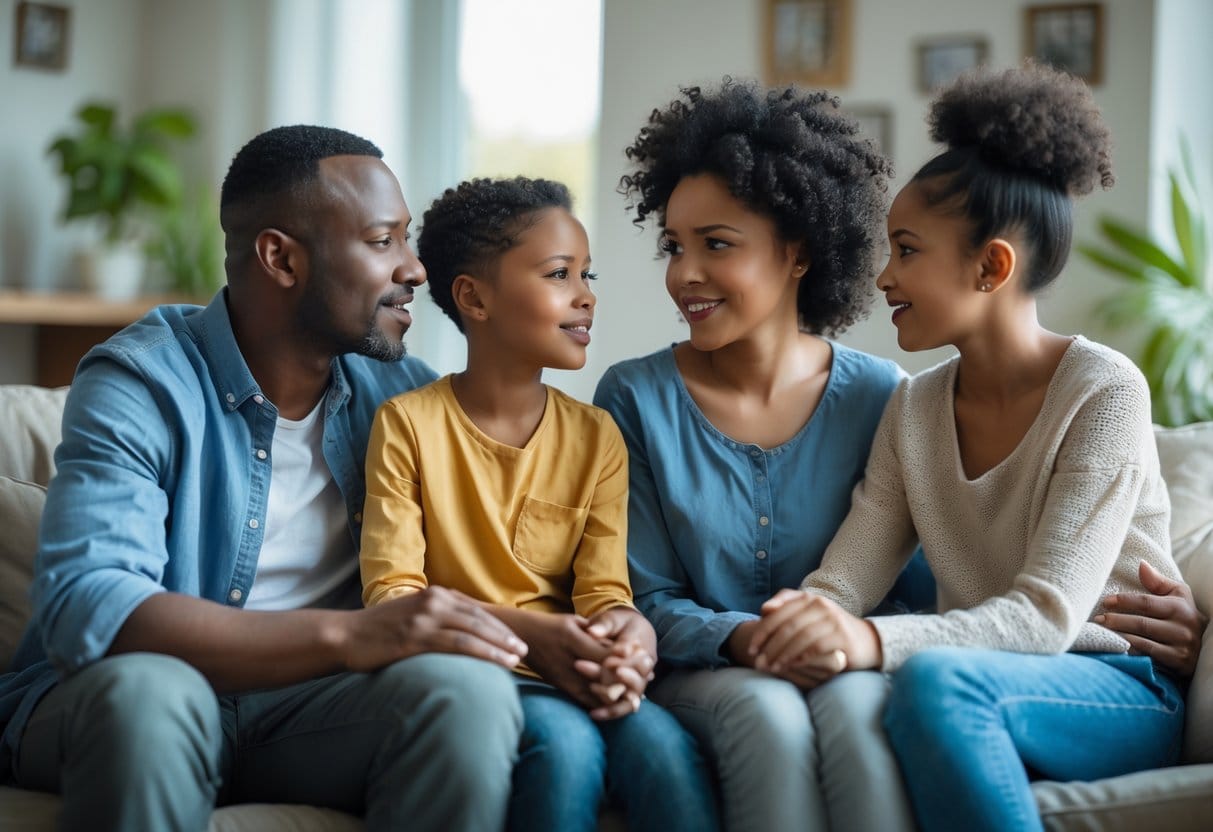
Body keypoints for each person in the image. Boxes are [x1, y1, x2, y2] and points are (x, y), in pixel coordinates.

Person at [595, 76, 1207, 832]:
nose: (883, 276)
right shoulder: (913, 404)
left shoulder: (1103, 389)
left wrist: (862, 640)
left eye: (907, 252)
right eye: (887, 249)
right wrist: (799, 626)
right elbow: (846, 575)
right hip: (977, 678)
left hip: (1109, 683)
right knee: (901, 693)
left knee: (930, 686)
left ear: (990, 268)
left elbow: (1046, 616)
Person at [1, 125, 527, 831]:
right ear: (281, 258)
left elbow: (519, 527)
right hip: (124, 699)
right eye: (382, 242)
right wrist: (348, 637)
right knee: (156, 697)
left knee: (465, 693)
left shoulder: (402, 396)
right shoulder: (140, 380)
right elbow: (90, 605)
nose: (413, 269)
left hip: (307, 712)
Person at [594, 77, 924, 832]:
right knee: (767, 712)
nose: (683, 274)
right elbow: (638, 594)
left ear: (798, 252)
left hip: (848, 663)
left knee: (859, 714)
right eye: (673, 246)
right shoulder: (633, 398)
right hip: (702, 677)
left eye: (716, 245)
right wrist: (745, 638)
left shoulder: (887, 398)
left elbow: (930, 579)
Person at [359, 176, 720, 832]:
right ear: (474, 298)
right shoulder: (407, 426)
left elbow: (605, 592)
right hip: (473, 686)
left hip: (577, 672)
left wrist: (629, 635)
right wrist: (533, 637)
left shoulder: (596, 437)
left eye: (588, 274)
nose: (585, 296)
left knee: (666, 753)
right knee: (566, 748)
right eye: (558, 274)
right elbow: (392, 597)